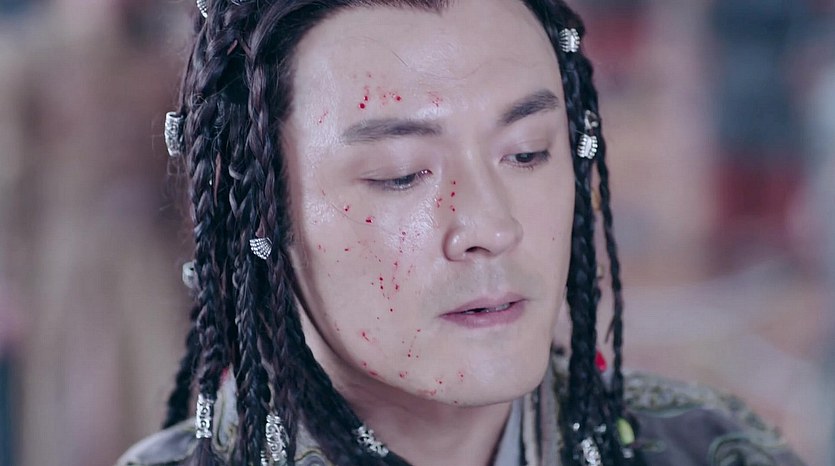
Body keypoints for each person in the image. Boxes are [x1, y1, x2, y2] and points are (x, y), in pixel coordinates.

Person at [117, 0, 805, 465]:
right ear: (255, 204)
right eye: (400, 174)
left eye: (527, 154)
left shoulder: (715, 448)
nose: (490, 227)